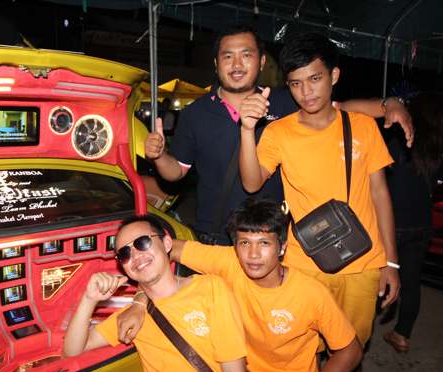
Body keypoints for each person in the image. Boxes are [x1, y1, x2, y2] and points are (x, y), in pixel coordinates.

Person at [237, 32, 400, 372]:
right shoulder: (278, 132)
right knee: (302, 350)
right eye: (296, 83)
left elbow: (380, 194)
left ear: (334, 76)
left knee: (349, 352)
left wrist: (391, 262)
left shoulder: (361, 126)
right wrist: (247, 130)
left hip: (362, 262)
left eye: (315, 79)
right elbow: (251, 181)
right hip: (303, 263)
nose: (306, 91)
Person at [145, 25, 413, 245]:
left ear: (261, 61)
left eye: (246, 55)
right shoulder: (196, 113)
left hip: (272, 238)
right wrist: (159, 156)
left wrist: (388, 104)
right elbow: (176, 172)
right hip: (216, 237)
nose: (237, 64)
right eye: (228, 56)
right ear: (216, 64)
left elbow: (338, 109)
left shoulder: (285, 102)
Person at [117, 198, 363, 372]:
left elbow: (351, 351)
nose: (253, 255)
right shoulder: (229, 262)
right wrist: (139, 300)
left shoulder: (310, 293)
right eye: (244, 243)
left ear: (282, 247)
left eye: (264, 243)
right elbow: (154, 253)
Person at [62, 214, 249, 372]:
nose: (135, 255)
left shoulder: (209, 288)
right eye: (125, 253)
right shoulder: (133, 317)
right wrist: (89, 299)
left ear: (167, 244)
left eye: (142, 242)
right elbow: (72, 350)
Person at [382, 92, 443, 353]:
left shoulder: (399, 138)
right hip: (422, 224)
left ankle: (356, 333)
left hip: (392, 222)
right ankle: (402, 334)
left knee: (376, 276)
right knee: (411, 279)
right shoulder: (436, 146)